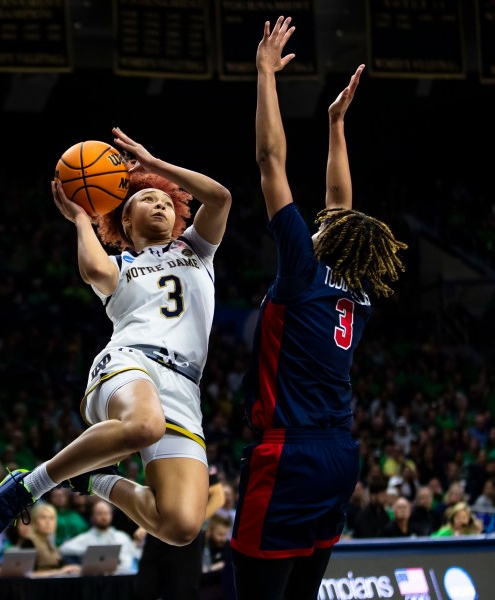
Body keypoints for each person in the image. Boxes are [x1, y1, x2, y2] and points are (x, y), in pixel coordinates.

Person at [0, 127, 232, 551]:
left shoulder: (196, 250)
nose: (161, 204)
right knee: (146, 426)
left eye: (167, 201)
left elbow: (220, 197)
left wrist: (156, 166)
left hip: (185, 386)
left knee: (181, 526)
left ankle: (93, 477)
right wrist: (80, 218)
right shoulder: (120, 263)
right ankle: (27, 486)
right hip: (131, 363)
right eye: (148, 199)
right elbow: (93, 272)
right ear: (124, 218)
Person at [229, 16, 407, 600]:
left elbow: (269, 162)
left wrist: (264, 73)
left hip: (290, 455)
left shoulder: (302, 271)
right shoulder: (355, 285)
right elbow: (339, 204)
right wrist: (335, 125)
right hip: (339, 456)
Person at [133, 466, 225, 599]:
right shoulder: (154, 454)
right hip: (158, 531)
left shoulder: (196, 453)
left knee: (182, 592)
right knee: (145, 589)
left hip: (186, 537)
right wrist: (144, 526)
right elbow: (151, 494)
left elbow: (218, 496)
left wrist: (193, 522)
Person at [13, 501, 81, 577]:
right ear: (35, 521)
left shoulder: (50, 542)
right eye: (43, 517)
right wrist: (60, 571)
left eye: (51, 518)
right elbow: (26, 574)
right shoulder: (29, 542)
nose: (48, 522)